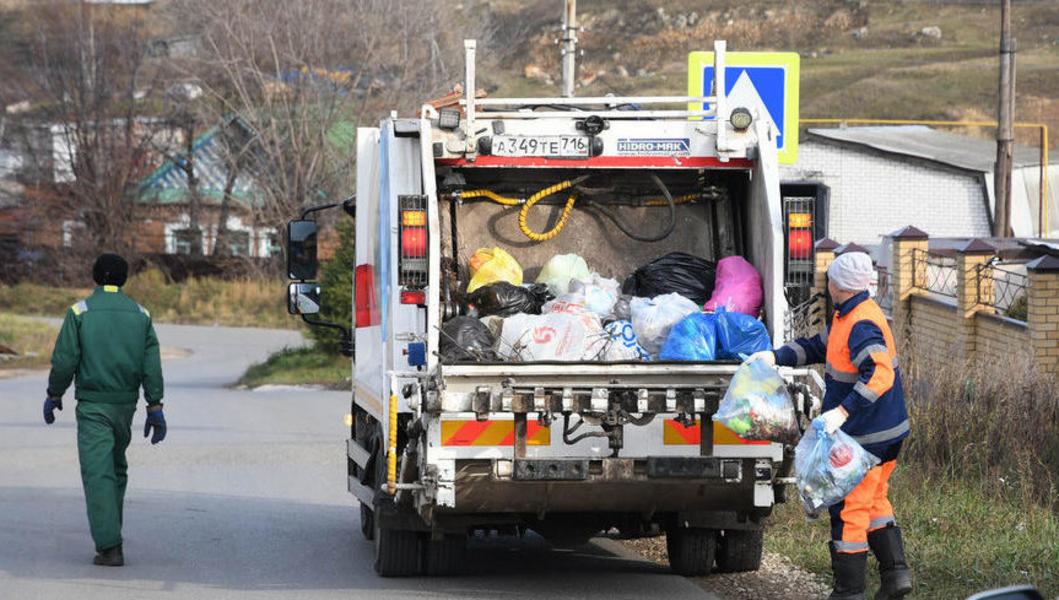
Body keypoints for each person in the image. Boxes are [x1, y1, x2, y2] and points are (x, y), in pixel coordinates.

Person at [746, 252, 911, 600]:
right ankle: (896, 575)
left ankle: (849, 592)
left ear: (839, 285)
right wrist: (776, 356)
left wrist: (844, 412)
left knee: (848, 508)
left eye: (830, 280)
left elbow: (880, 373)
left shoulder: (861, 324)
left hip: (866, 438)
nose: (827, 284)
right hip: (887, 433)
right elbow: (816, 347)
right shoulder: (851, 315)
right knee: (874, 499)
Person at [43, 253, 166, 567]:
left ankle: (109, 545)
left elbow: (65, 360)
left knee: (98, 473)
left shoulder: (79, 312)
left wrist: (54, 394)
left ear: (95, 276)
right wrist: (155, 405)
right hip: (126, 405)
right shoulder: (141, 315)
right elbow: (151, 364)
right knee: (116, 468)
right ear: (124, 279)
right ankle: (111, 532)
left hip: (94, 405)